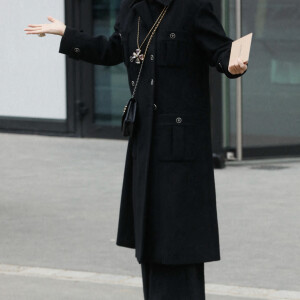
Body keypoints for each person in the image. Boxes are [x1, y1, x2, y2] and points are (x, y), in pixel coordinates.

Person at [24, 0, 248, 299]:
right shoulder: (132, 7)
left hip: (182, 149)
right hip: (145, 143)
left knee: (179, 240)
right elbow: (112, 50)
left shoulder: (193, 6)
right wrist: (67, 34)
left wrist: (234, 64)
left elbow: (220, 50)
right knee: (152, 238)